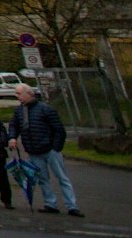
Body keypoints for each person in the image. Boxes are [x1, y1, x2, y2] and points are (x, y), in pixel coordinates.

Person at [9, 83, 81, 217]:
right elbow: (14, 125)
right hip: (33, 150)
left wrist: (55, 148)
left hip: (49, 149)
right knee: (42, 178)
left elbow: (59, 130)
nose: (17, 97)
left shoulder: (45, 109)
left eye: (19, 94)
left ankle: (72, 205)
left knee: (62, 177)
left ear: (28, 94)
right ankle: (50, 203)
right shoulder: (19, 111)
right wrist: (12, 137)